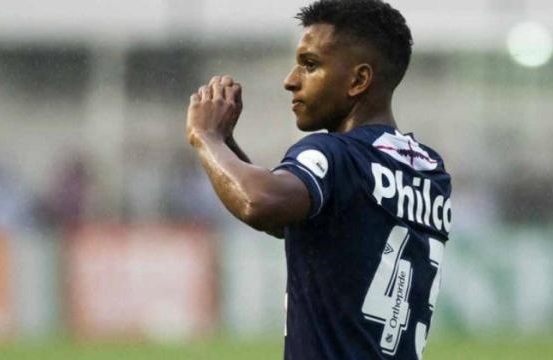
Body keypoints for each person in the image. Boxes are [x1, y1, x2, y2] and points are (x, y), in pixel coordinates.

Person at [185, 0, 452, 358]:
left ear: (358, 80)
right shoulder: (428, 169)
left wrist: (206, 138)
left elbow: (259, 203)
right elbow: (298, 220)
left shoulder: (333, 153)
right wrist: (229, 147)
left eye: (310, 65)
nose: (290, 80)